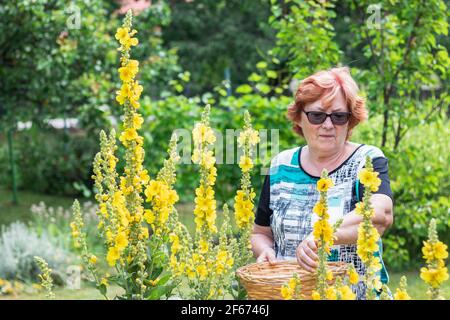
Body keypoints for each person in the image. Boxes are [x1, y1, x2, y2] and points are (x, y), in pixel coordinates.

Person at [251, 67, 394, 299]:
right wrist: (265, 250)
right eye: (317, 115)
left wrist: (323, 235)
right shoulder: (280, 166)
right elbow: (260, 233)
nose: (328, 125)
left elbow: (379, 215)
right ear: (299, 117)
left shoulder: (366, 161)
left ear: (351, 120)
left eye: (339, 116)